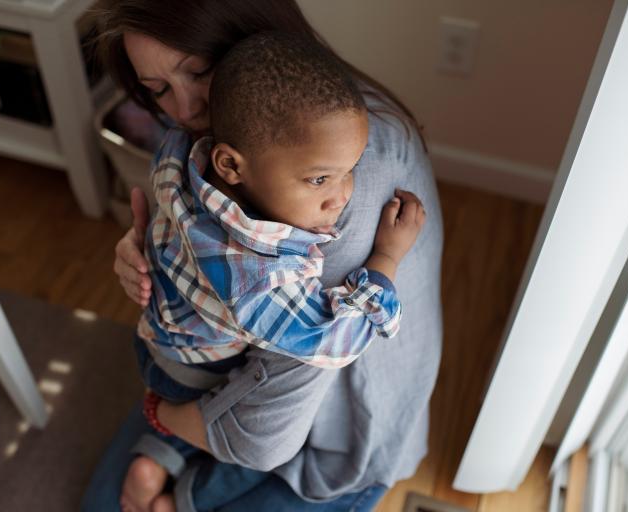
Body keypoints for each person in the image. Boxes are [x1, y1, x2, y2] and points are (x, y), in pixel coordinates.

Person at [83, 1, 444, 511]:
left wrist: (171, 418)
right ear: (230, 165)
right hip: (223, 364)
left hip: (329, 413)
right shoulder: (204, 142)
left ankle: (173, 459)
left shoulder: (337, 183)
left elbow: (272, 420)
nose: (183, 111)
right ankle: (174, 451)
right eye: (159, 90)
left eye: (200, 72)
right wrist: (144, 249)